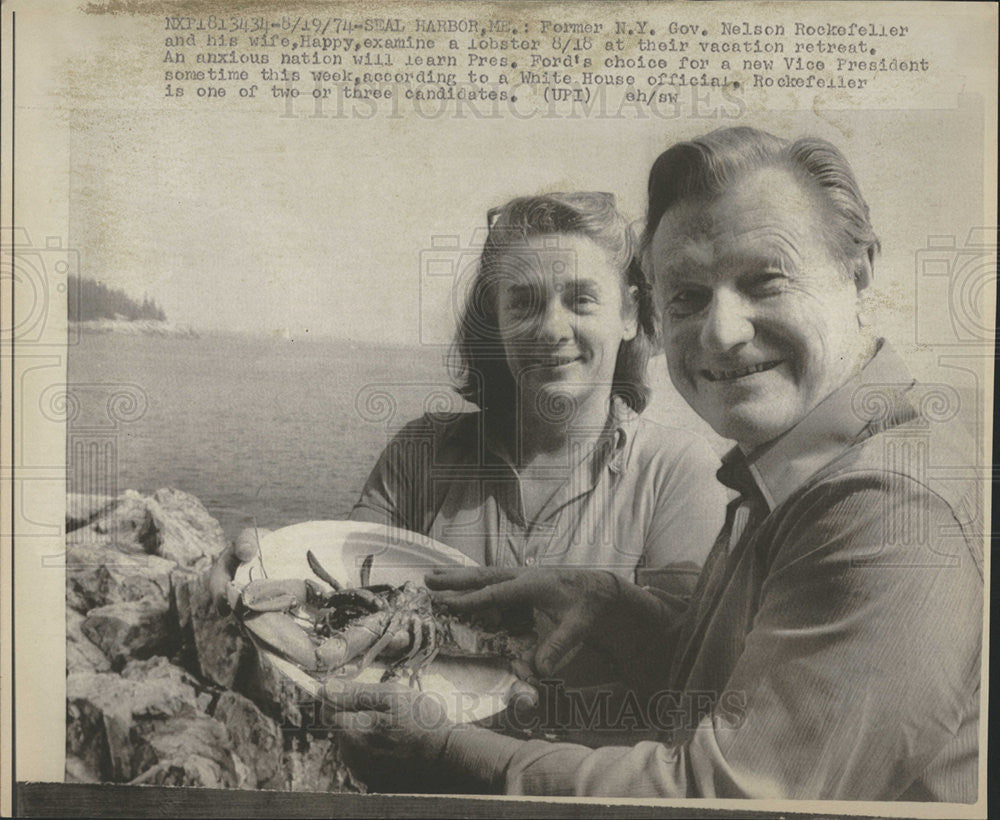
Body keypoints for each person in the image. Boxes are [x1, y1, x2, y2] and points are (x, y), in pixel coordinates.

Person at [324, 128, 983, 802]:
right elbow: (737, 695)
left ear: (859, 271)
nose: (721, 331)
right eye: (688, 297)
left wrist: (441, 745)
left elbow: (725, 795)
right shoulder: (800, 473)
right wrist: (617, 612)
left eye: (764, 280)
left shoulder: (886, 505)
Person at [349, 191, 726, 588]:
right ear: (494, 323)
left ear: (629, 314)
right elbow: (346, 588)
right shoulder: (418, 455)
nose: (551, 329)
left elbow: (683, 639)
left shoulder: (675, 471)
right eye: (524, 304)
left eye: (581, 300)